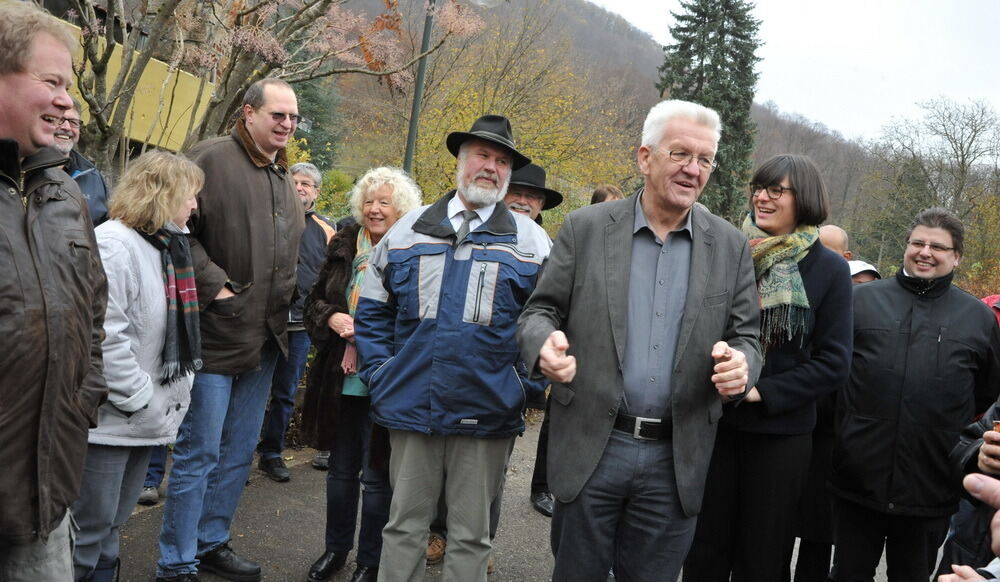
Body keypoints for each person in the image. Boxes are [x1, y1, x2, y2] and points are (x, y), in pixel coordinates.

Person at [517, 99, 762, 582]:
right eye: (680, 154)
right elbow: (539, 311)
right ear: (645, 157)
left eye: (705, 159)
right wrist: (543, 344)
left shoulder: (730, 246)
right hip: (593, 444)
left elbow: (748, 336)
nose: (694, 169)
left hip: (676, 459)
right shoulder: (586, 230)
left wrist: (743, 365)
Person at [354, 114, 550, 582]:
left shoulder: (533, 242)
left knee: (470, 537)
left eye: (502, 161)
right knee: (403, 529)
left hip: (488, 411)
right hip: (410, 406)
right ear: (459, 163)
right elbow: (373, 312)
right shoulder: (406, 233)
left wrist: (523, 387)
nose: (491, 167)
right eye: (482, 155)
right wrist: (382, 374)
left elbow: (552, 320)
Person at [155, 78, 305, 582]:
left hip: (266, 341)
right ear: (248, 113)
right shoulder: (210, 158)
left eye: (293, 117)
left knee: (238, 453)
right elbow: (171, 226)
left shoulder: (283, 179)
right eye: (277, 115)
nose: (286, 124)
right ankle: (176, 562)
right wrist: (216, 284)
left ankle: (210, 541)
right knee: (200, 454)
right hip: (216, 338)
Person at [684, 155, 853, 581]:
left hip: (781, 437)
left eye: (776, 190)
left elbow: (834, 362)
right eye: (759, 187)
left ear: (805, 199)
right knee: (703, 549)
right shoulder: (726, 249)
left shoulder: (829, 268)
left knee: (762, 557)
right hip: (714, 426)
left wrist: (761, 390)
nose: (762, 197)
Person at [829, 207, 1000, 582]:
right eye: (917, 243)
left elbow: (986, 393)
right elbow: (834, 376)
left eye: (937, 246)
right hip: (858, 480)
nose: (924, 251)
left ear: (956, 256)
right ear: (905, 247)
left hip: (931, 486)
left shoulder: (978, 319)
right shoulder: (860, 302)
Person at [0, 4, 109, 580]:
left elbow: (93, 314)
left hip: (46, 495)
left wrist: (81, 401)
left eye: (69, 86)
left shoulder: (68, 196)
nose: (68, 101)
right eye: (52, 82)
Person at [71, 151, 203, 582]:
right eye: (190, 195)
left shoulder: (165, 247)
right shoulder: (114, 245)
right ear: (163, 196)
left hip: (142, 419)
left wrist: (154, 408)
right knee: (87, 532)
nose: (195, 206)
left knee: (111, 527)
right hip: (110, 422)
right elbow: (105, 336)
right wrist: (142, 401)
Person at [301, 166, 421, 582]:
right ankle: (335, 551)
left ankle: (370, 560)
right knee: (339, 470)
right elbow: (313, 301)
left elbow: (416, 318)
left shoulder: (414, 246)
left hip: (386, 375)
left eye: (384, 202)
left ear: (400, 208)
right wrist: (334, 318)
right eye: (369, 201)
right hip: (340, 377)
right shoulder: (344, 243)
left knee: (377, 477)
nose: (374, 209)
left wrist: (367, 334)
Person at [256, 161, 336, 483]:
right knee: (252, 391)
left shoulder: (327, 228)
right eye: (295, 181)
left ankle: (271, 454)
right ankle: (237, 454)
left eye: (307, 184)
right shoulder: (268, 216)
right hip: (263, 321)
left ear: (316, 192)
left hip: (300, 327)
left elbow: (332, 279)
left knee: (285, 393)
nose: (300, 187)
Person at [52, 97, 110, 226]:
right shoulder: (24, 167)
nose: (67, 127)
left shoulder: (93, 177)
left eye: (73, 122)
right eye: (60, 120)